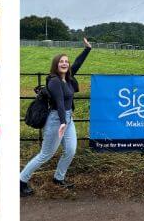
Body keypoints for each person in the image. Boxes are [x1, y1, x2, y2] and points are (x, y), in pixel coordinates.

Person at [20, 38, 92, 196]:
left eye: (66, 61)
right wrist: (62, 123)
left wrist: (87, 49)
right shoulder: (54, 81)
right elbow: (59, 103)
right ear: (56, 64)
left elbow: (77, 64)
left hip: (68, 119)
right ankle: (21, 181)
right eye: (61, 62)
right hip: (56, 120)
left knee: (71, 150)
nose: (65, 64)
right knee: (45, 154)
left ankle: (58, 178)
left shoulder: (68, 78)